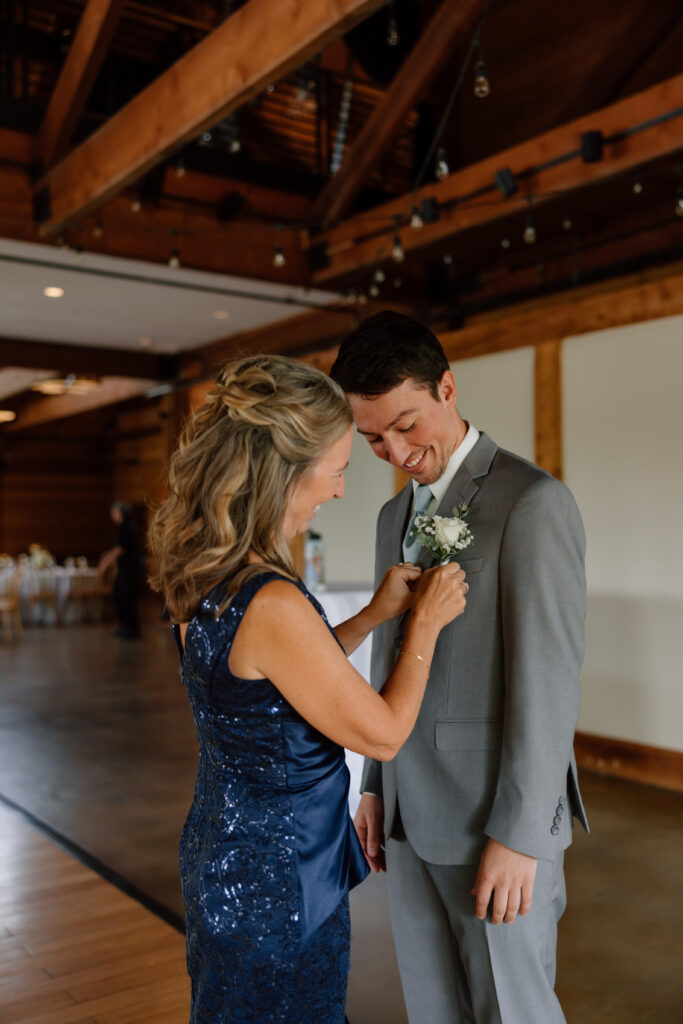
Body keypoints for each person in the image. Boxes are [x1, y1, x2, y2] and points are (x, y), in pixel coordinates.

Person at [147, 354, 468, 1024]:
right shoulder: (273, 604)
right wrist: (425, 627)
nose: (342, 489)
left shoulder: (214, 574)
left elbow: (278, 684)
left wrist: (373, 616)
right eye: (339, 466)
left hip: (222, 857)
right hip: (279, 884)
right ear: (284, 472)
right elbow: (381, 731)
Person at [330, 311, 589, 1024]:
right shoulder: (393, 521)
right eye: (373, 438)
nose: (394, 451)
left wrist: (520, 836)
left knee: (511, 1010)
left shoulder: (532, 503)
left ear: (447, 387)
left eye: (406, 424)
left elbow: (548, 684)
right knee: (432, 1007)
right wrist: (375, 785)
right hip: (408, 818)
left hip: (491, 822)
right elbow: (388, 659)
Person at [99, 500, 142, 638]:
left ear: (120, 512)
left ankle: (130, 628)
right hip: (128, 567)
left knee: (126, 596)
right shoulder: (127, 526)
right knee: (120, 595)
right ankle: (126, 626)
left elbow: (120, 548)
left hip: (129, 567)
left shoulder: (126, 526)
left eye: (114, 512)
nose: (113, 515)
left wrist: (105, 561)